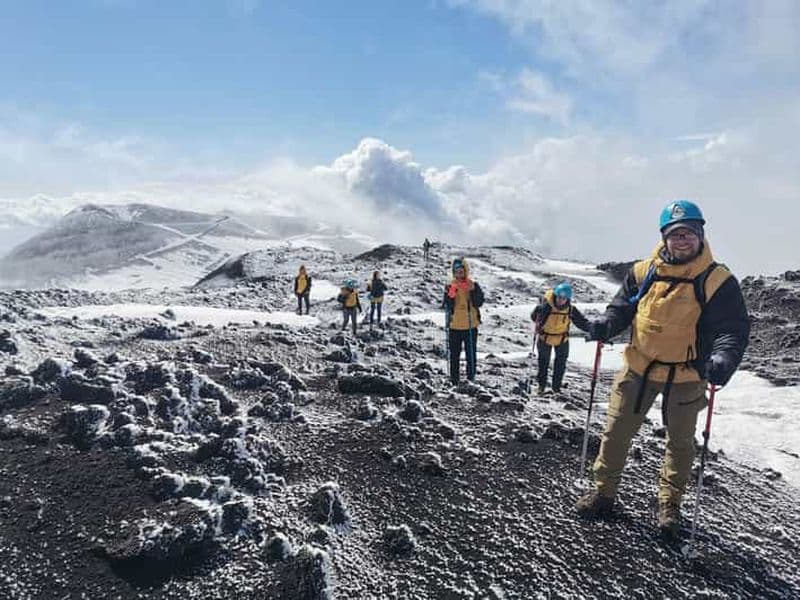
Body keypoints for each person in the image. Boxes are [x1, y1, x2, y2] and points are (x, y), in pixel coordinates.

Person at [576, 200, 749, 537]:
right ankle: (603, 493)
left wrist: (724, 359)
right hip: (639, 368)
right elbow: (621, 310)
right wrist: (604, 325)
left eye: (688, 233)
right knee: (615, 433)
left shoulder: (717, 280)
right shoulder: (643, 272)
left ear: (700, 235)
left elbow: (732, 329)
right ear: (664, 237)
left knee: (680, 444)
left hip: (687, 376)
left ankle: (670, 506)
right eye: (675, 234)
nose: (682, 240)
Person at [530, 282, 591, 395]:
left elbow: (581, 322)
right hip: (545, 337)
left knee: (560, 364)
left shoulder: (571, 310)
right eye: (559, 297)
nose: (561, 300)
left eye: (564, 298)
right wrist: (538, 316)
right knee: (543, 363)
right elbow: (534, 317)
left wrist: (594, 329)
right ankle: (541, 387)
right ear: (556, 295)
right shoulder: (546, 307)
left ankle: (556, 388)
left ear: (567, 299)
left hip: (562, 339)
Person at [442, 257, 485, 385]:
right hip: (454, 325)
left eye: (461, 271)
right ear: (453, 272)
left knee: (470, 354)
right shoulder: (450, 286)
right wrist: (450, 295)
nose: (459, 274)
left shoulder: (473, 285)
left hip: (470, 325)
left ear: (465, 271)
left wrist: (474, 291)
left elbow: (479, 302)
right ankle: (454, 379)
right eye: (457, 271)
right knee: (454, 354)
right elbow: (447, 306)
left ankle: (470, 377)